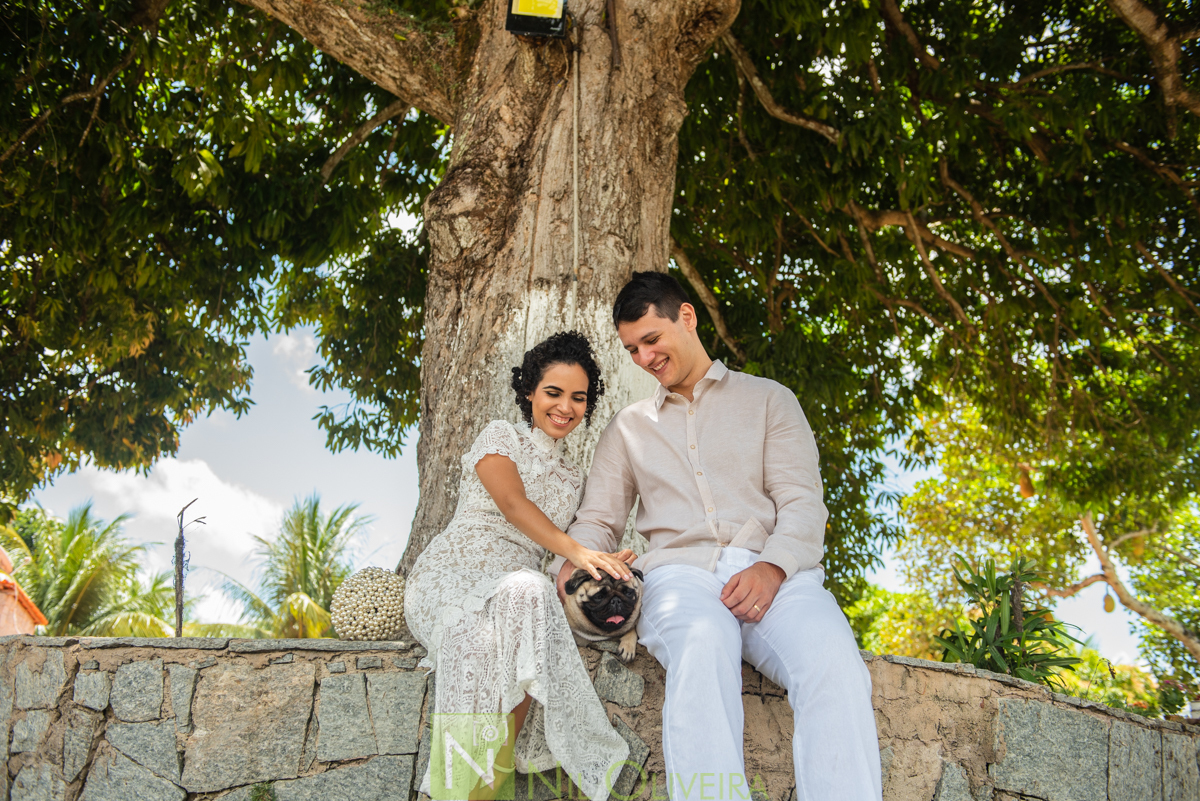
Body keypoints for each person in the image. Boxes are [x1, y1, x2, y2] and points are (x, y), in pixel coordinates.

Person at [552, 273, 883, 801]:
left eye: (651, 340)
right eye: (631, 349)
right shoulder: (627, 428)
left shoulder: (771, 400)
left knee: (835, 664)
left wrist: (773, 567)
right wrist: (571, 562)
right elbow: (598, 519)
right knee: (705, 642)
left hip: (777, 574)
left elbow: (802, 503)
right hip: (677, 577)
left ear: (687, 317)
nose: (643, 358)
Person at [405, 331, 633, 801]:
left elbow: (575, 549)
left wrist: (607, 562)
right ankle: (466, 788)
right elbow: (511, 503)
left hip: (516, 589)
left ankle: (484, 786)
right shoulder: (499, 436)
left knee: (528, 596)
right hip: (452, 577)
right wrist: (577, 551)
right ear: (529, 391)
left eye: (578, 398)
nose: (565, 407)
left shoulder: (575, 479)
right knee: (497, 616)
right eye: (553, 393)